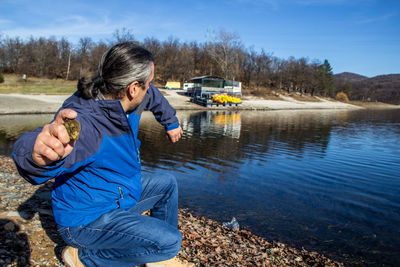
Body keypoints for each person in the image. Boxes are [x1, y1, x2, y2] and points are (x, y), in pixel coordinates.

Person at [12, 42, 184, 267]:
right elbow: (35, 154)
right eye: (148, 83)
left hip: (115, 193)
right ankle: (82, 257)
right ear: (133, 88)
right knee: (171, 242)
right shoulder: (88, 124)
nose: (150, 88)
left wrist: (170, 122)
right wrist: (36, 156)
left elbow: (153, 96)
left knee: (168, 184)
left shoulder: (122, 93)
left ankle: (157, 254)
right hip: (85, 222)